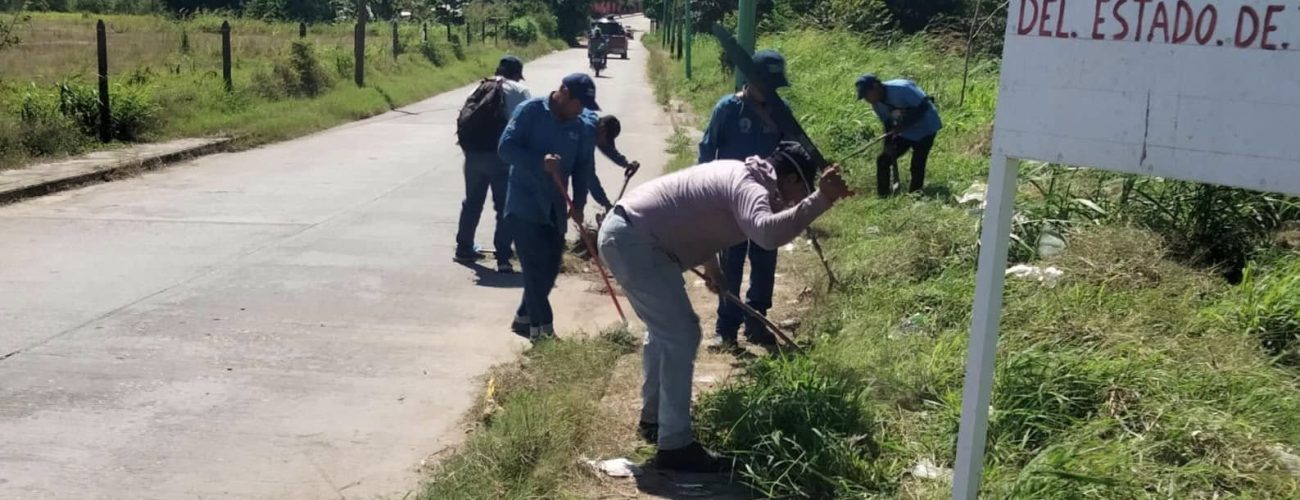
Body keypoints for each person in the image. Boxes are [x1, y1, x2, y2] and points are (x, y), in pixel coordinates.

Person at [597, 142, 852, 472]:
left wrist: (714, 269)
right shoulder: (752, 187)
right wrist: (821, 200)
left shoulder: (739, 173)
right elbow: (766, 235)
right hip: (636, 241)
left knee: (665, 334)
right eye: (799, 191)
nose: (794, 202)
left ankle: (655, 420)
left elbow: (694, 217)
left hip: (627, 235)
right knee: (681, 334)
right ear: (788, 179)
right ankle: (674, 445)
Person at [697, 49, 793, 348]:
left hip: (767, 201)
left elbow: (790, 152)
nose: (770, 92)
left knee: (764, 260)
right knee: (731, 264)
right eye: (766, 84)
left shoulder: (781, 112)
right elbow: (707, 150)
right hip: (729, 201)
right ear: (752, 80)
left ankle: (757, 321)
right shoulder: (728, 109)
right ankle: (726, 327)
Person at [498, 73, 600, 340]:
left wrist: (578, 204)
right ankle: (542, 333)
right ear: (564, 93)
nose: (581, 110)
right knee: (533, 269)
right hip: (524, 204)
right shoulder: (530, 111)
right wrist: (538, 162)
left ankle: (523, 316)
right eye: (579, 103)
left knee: (550, 268)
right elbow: (505, 148)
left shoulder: (579, 127)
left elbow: (582, 168)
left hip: (554, 207)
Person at [453, 55, 531, 272]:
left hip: (474, 155)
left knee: (472, 202)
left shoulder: (478, 88)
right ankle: (504, 258)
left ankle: (463, 249)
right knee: (504, 207)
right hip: (502, 157)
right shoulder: (519, 91)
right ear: (517, 74)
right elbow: (525, 125)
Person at [855, 74, 942, 197]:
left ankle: (915, 194)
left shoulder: (902, 88)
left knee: (917, 163)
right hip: (905, 132)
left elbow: (924, 106)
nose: (867, 99)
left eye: (867, 94)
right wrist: (888, 145)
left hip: (926, 127)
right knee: (883, 159)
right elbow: (888, 123)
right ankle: (883, 195)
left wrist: (905, 124)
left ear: (875, 87)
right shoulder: (876, 104)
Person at [579, 113, 641, 211]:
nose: (604, 142)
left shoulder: (596, 125)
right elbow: (590, 177)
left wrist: (625, 163)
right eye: (606, 139)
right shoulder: (588, 135)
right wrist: (606, 203)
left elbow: (607, 149)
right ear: (603, 130)